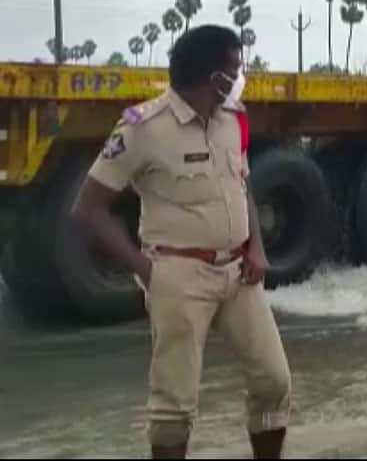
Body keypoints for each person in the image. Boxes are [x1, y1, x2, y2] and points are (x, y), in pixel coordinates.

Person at [70, 25, 291, 459]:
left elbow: (241, 183)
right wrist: (147, 270)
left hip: (238, 272)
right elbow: (88, 209)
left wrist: (257, 247)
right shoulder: (142, 128)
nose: (241, 75)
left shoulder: (233, 120)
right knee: (174, 405)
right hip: (178, 275)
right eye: (234, 67)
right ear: (214, 78)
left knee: (274, 381)